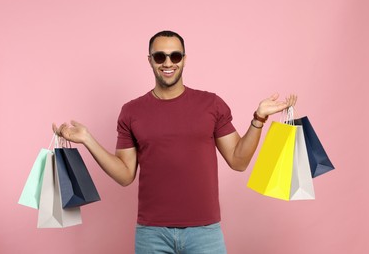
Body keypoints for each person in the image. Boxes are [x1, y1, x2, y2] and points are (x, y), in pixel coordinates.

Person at [53, 30, 297, 254]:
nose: (168, 63)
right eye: (160, 57)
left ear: (184, 59)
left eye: (175, 56)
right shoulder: (131, 112)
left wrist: (259, 118)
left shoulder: (211, 104)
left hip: (205, 232)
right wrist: (87, 139)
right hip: (152, 234)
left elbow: (238, 160)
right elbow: (125, 175)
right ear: (150, 60)